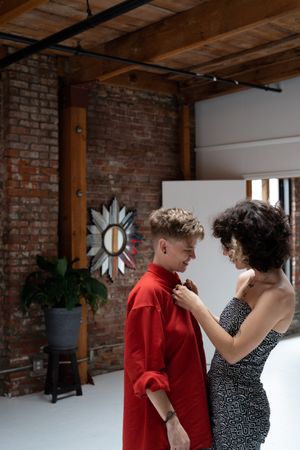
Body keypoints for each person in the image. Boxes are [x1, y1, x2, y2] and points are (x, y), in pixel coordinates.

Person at [173, 199, 295, 450]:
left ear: (251, 244)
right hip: (216, 394)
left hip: (240, 408)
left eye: (230, 245)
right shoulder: (247, 279)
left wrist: (197, 307)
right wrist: (199, 304)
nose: (226, 252)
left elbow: (232, 351)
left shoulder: (279, 295)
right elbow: (230, 333)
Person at [123, 208, 212, 450]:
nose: (193, 256)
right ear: (163, 246)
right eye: (187, 249)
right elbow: (146, 370)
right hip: (162, 428)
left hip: (185, 417)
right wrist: (172, 423)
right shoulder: (148, 295)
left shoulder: (176, 289)